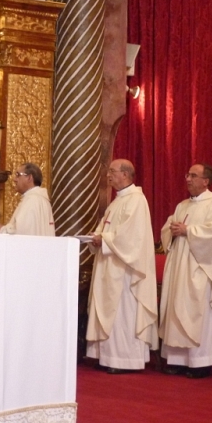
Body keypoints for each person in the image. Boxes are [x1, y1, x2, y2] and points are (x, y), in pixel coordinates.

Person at [158, 164, 212, 378]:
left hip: (201, 268)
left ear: (206, 181)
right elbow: (169, 227)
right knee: (178, 309)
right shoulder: (182, 205)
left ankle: (200, 362)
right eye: (187, 175)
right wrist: (172, 230)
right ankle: (177, 359)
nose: (188, 179)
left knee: (198, 313)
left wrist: (188, 231)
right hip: (180, 267)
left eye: (193, 176)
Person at [86, 159, 158, 374]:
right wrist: (96, 237)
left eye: (112, 171)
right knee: (111, 311)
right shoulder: (117, 201)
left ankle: (125, 359)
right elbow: (108, 229)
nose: (108, 175)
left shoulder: (136, 200)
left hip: (125, 270)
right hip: (110, 264)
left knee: (123, 312)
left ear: (126, 174)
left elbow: (131, 237)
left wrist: (104, 239)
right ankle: (108, 356)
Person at [0, 163, 55, 236]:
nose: (14, 179)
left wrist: (2, 230)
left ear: (29, 178)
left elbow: (22, 232)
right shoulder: (43, 200)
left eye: (18, 175)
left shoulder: (32, 200)